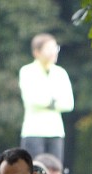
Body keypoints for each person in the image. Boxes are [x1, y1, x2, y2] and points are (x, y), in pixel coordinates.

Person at [19, 34, 74, 162]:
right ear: (36, 52)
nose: (54, 52)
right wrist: (54, 101)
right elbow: (31, 99)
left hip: (56, 132)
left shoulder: (61, 73)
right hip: (33, 132)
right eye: (49, 48)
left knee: (55, 173)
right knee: (34, 172)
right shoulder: (27, 71)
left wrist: (47, 101)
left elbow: (68, 104)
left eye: (55, 48)